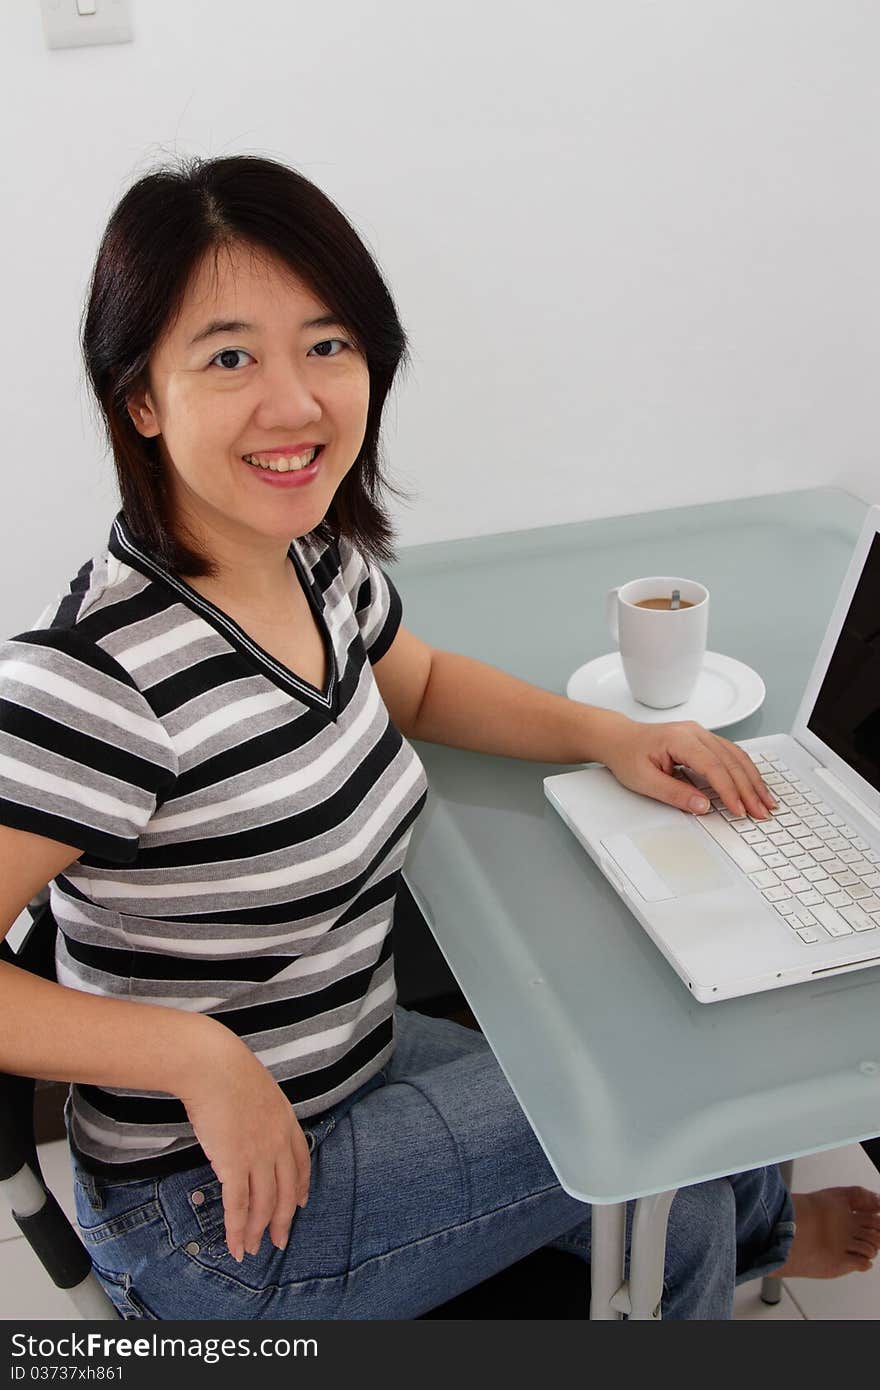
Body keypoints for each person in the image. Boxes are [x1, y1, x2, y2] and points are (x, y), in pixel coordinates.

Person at [0, 155, 877, 1321]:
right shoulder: (94, 685)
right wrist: (192, 1057)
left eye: (327, 345)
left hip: (344, 1061)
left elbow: (416, 684)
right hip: (213, 1219)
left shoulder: (311, 562)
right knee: (659, 1138)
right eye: (228, 357)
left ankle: (747, 1239)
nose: (297, 400)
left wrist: (604, 734)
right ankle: (747, 1243)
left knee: (668, 1126)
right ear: (140, 398)